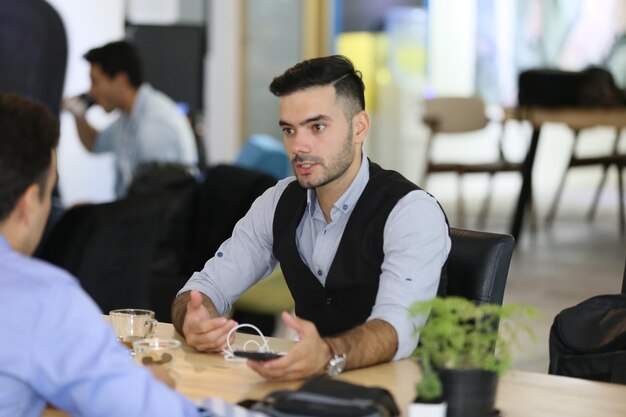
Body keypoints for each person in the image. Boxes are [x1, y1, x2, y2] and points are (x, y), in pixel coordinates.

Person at [171, 55, 450, 381]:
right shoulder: (278, 201)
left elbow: (396, 327)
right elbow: (203, 288)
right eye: (289, 130)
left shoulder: (410, 211)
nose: (298, 146)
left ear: (359, 126)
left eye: (317, 127)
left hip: (402, 394)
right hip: (308, 392)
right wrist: (194, 319)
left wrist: (327, 355)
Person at [0, 92, 198, 417]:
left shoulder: (153, 123)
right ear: (29, 202)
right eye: (51, 191)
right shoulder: (42, 298)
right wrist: (135, 383)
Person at [64, 40, 198, 198]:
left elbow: (158, 203)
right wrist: (79, 116)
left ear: (121, 81)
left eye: (95, 82)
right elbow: (94, 143)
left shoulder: (155, 125)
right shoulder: (127, 117)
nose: (91, 92)